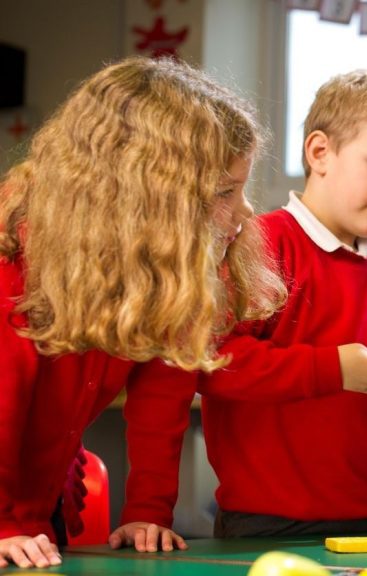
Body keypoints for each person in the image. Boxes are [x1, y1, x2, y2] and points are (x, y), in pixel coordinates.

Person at [121, 69, 367, 538]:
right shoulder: (258, 244)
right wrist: (333, 370)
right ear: (320, 152)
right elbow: (210, 364)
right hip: (268, 522)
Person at [0, 57, 285, 568]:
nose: (245, 212)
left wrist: (148, 511)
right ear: (145, 196)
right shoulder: (13, 266)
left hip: (39, 515)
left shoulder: (153, 268)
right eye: (224, 192)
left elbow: (162, 389)